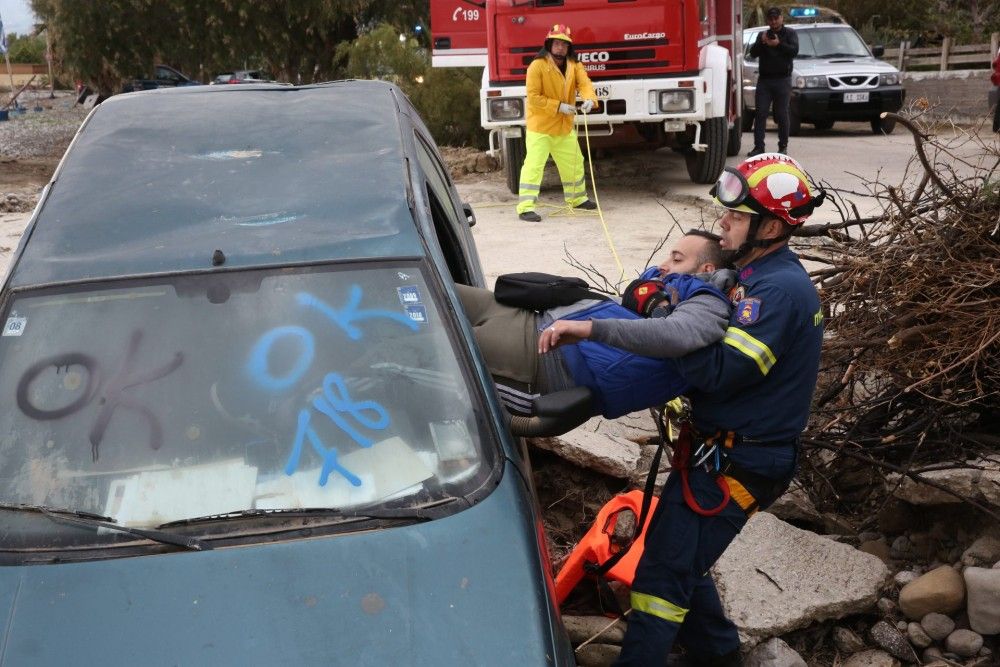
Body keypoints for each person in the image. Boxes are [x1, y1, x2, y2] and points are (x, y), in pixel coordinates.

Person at [564, 153, 822, 667]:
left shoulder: (778, 290)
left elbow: (719, 372)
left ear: (770, 226)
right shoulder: (753, 276)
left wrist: (663, 313)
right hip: (718, 453)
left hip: (740, 463)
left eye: (737, 216)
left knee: (663, 574)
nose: (723, 222)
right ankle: (720, 655)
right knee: (681, 556)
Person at [457, 231, 734, 418]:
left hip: (541, 355)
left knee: (427, 342)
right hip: (528, 315)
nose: (663, 265)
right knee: (426, 290)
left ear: (706, 270)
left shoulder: (709, 302)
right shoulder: (663, 286)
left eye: (676, 259)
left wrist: (590, 328)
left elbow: (676, 335)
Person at [516, 24, 600, 223]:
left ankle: (577, 199)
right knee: (534, 167)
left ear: (569, 47)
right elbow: (534, 97)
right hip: (541, 129)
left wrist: (590, 99)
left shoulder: (574, 65)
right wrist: (559, 106)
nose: (560, 47)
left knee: (574, 163)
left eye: (564, 44)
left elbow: (585, 84)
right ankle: (525, 207)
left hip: (563, 128)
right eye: (556, 43)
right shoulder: (537, 66)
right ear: (549, 44)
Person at [748, 7, 798, 157]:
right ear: (768, 20)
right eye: (771, 19)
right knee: (761, 113)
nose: (774, 22)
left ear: (781, 18)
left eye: (776, 18)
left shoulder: (790, 34)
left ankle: (783, 146)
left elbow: (794, 51)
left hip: (783, 80)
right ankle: (759, 147)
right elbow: (752, 53)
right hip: (765, 81)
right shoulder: (762, 35)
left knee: (782, 113)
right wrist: (762, 42)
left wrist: (778, 44)